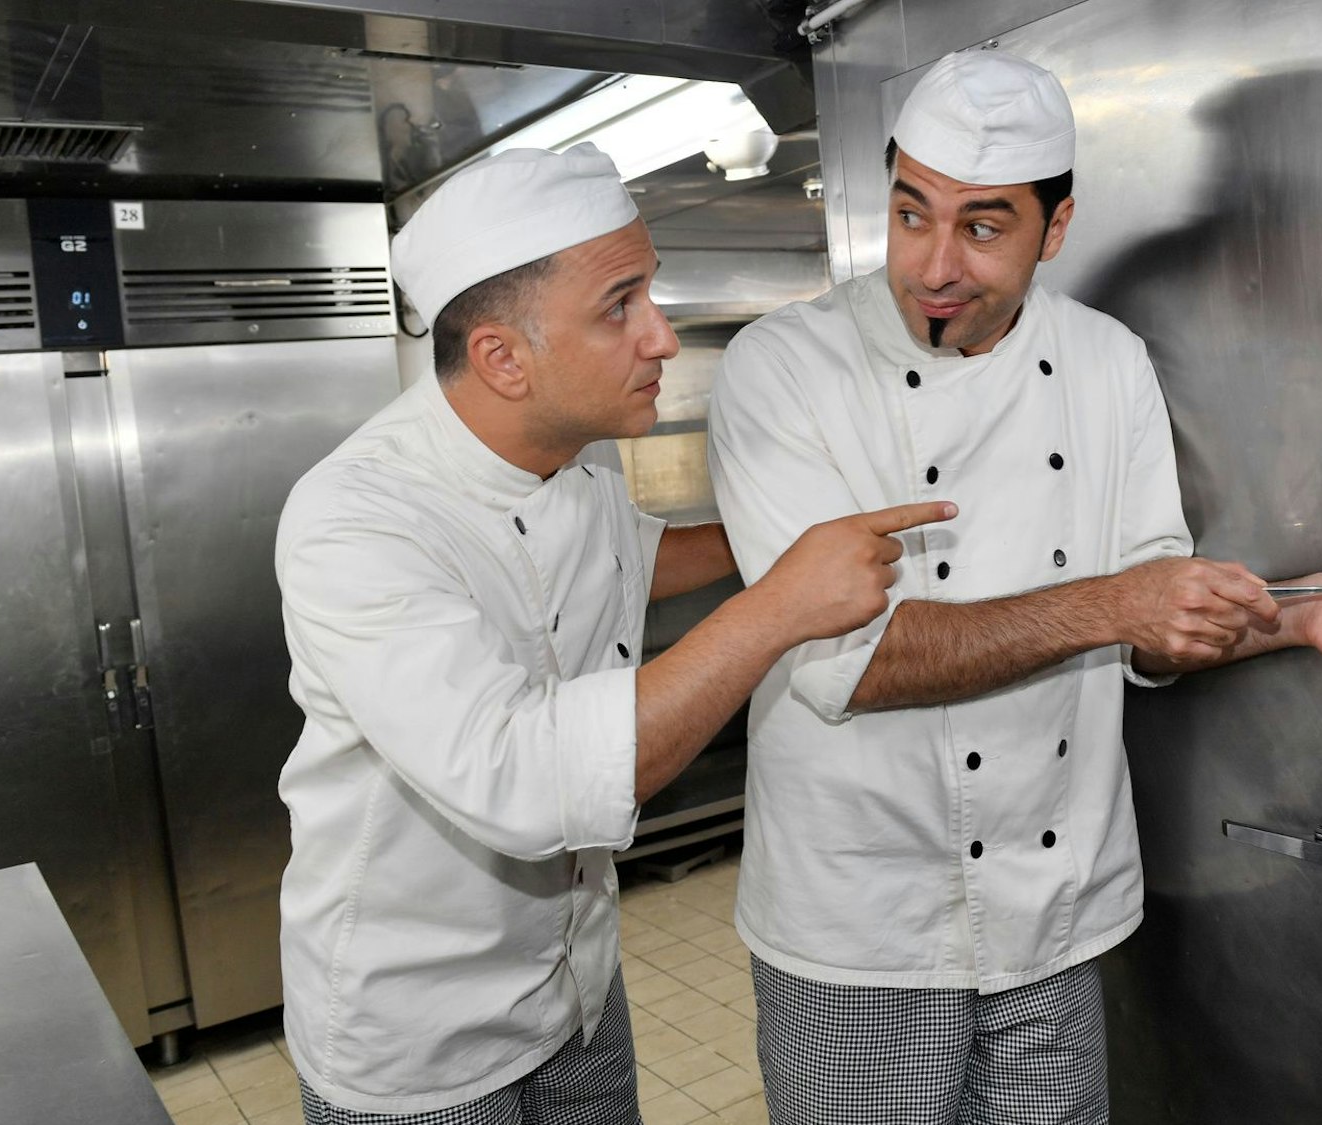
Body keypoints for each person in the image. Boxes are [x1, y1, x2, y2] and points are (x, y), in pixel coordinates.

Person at [706, 49, 1322, 1124]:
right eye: (909, 213)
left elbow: (1153, 630)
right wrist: (1116, 604)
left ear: (1051, 230)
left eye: (981, 227)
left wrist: (1307, 609)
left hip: (1054, 912)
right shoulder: (782, 368)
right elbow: (855, 657)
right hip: (859, 925)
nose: (932, 265)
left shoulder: (1106, 360)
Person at [274, 143, 953, 1124]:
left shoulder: (578, 461)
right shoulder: (358, 520)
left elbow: (626, 564)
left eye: (653, 295)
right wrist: (777, 607)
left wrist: (780, 538)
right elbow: (522, 781)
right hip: (416, 1032)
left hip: (575, 988)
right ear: (504, 358)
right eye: (619, 306)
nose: (662, 339)